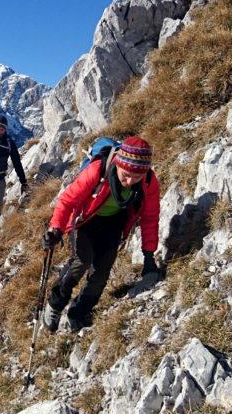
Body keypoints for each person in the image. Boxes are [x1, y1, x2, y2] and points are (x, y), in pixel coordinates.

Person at [40, 136, 161, 333]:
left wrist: (149, 255)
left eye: (136, 177)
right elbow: (67, 201)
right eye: (126, 175)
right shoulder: (98, 170)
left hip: (114, 222)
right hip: (85, 220)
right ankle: (55, 304)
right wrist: (55, 229)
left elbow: (150, 217)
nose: (130, 182)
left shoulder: (148, 181)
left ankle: (79, 312)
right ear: (118, 164)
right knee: (81, 261)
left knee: (101, 272)